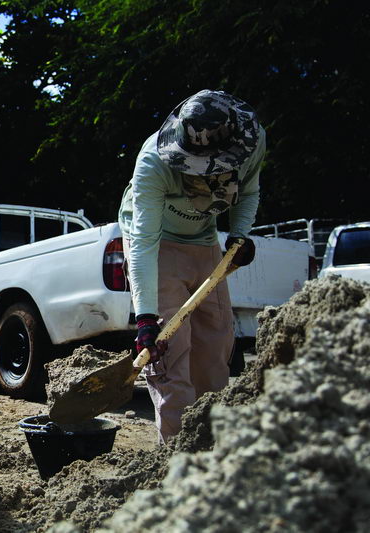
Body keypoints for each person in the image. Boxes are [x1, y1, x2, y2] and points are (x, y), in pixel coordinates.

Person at [118, 89, 265, 444]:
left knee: (216, 340)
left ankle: (212, 440)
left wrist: (240, 237)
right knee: (170, 349)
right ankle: (177, 452)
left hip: (202, 240)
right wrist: (146, 319)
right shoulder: (153, 162)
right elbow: (143, 244)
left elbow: (248, 192)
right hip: (157, 243)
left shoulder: (251, 141)